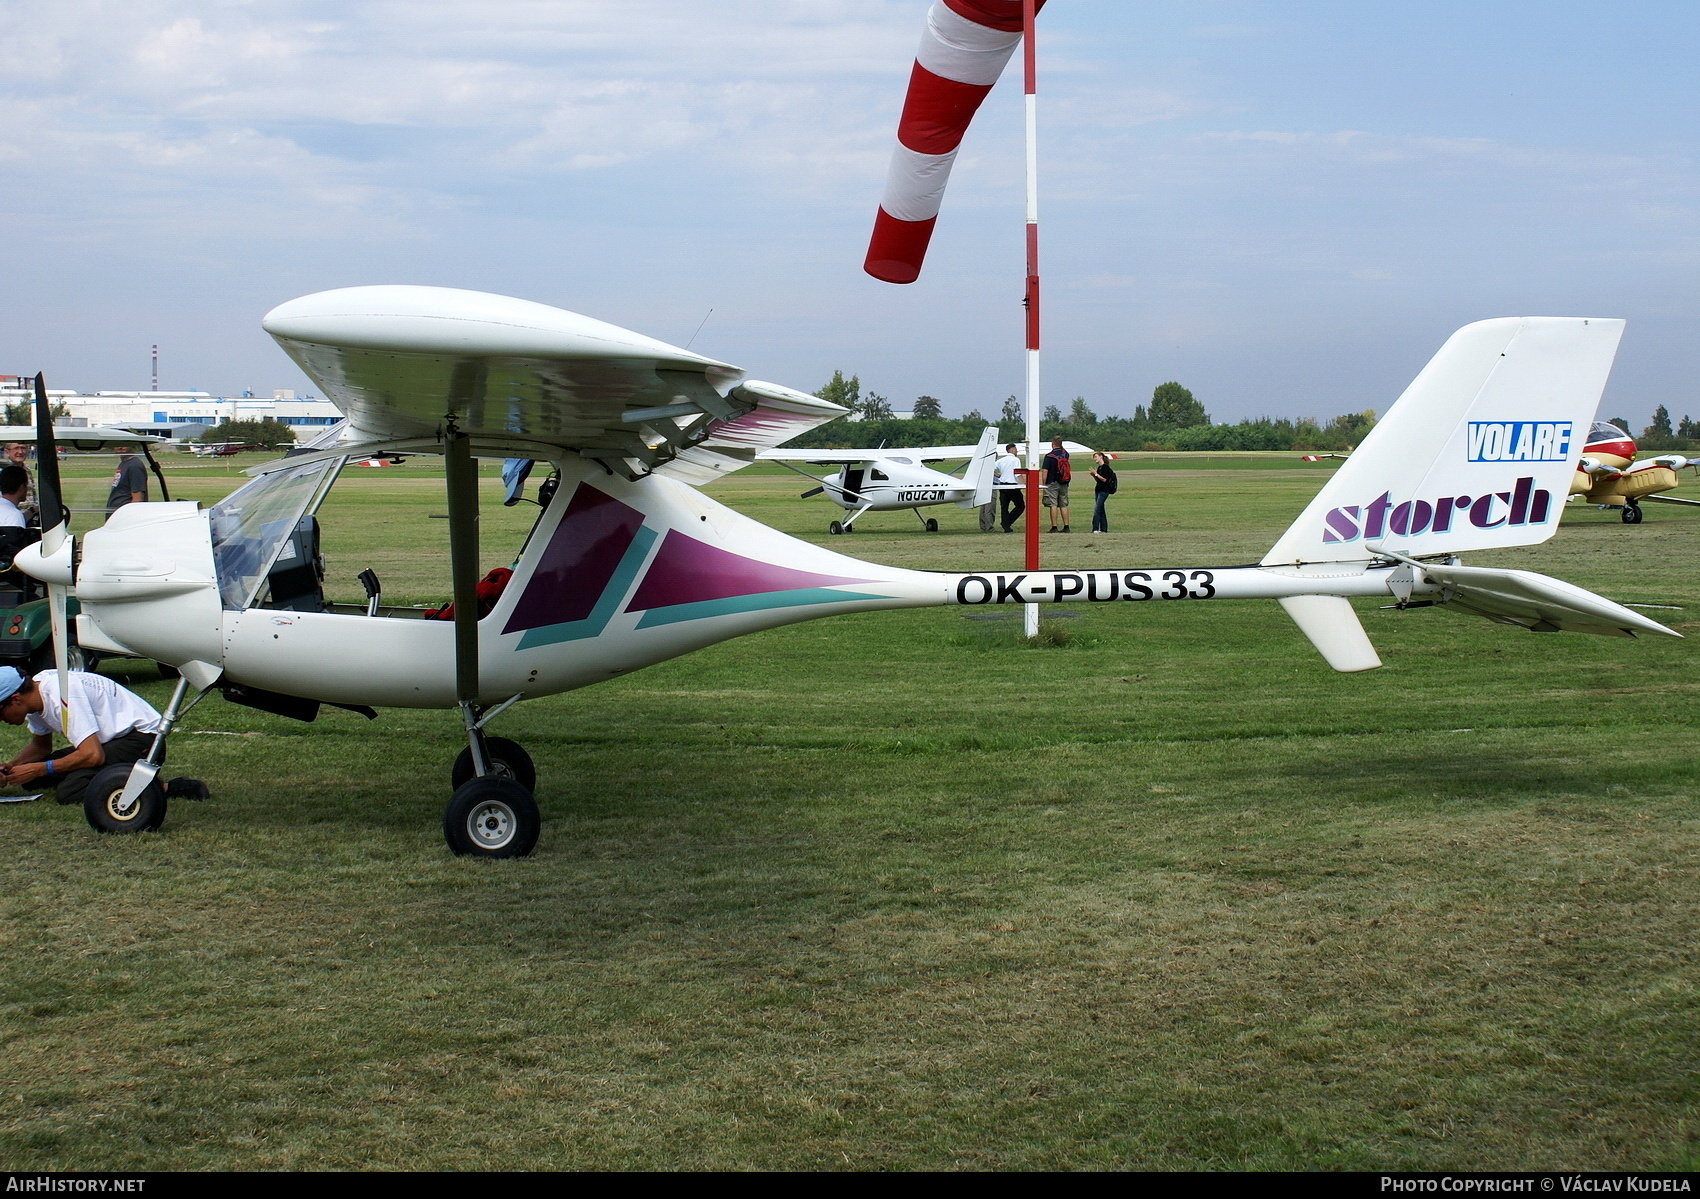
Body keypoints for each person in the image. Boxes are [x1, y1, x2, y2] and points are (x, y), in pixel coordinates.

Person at [0, 666, 163, 808]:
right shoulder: (34, 697)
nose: (2, 720)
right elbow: (41, 747)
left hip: (144, 739)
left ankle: (156, 787)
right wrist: (11, 767)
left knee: (70, 790)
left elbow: (93, 756)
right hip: (110, 741)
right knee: (31, 780)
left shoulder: (62, 695)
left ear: (16, 699)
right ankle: (112, 775)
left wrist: (39, 769)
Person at [993, 442, 1025, 533]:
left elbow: (990, 468)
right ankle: (1007, 522)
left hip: (1002, 485)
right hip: (1012, 486)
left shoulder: (1001, 460)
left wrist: (997, 475)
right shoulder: (1015, 460)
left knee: (1004, 507)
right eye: (1016, 449)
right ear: (1012, 450)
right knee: (1020, 506)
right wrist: (1026, 483)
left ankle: (1006, 526)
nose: (1017, 451)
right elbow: (1018, 473)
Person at [1041, 436, 1071, 533]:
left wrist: (1044, 483)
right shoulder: (1065, 454)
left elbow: (1045, 471)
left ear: (1052, 444)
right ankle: (1066, 526)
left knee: (1053, 504)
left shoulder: (1049, 456)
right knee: (1063, 504)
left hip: (1052, 482)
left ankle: (1054, 526)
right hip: (1063, 482)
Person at [2, 442, 37, 524]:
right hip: (12, 521)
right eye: (16, 448)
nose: (20, 452)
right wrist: (32, 511)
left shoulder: (26, 469)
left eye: (23, 448)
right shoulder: (4, 473)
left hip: (31, 518)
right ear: (7, 452)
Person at [107, 447, 148, 514]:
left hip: (124, 515)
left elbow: (137, 499)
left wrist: (128, 516)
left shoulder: (134, 466)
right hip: (117, 514)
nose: (120, 447)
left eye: (124, 444)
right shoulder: (124, 463)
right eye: (117, 444)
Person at [1089, 451, 1117, 534]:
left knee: (1097, 509)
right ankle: (1104, 528)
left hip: (1104, 491)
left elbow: (1104, 479)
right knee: (1101, 509)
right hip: (1098, 490)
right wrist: (1094, 475)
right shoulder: (1099, 468)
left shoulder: (1105, 467)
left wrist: (1096, 474)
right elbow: (1098, 480)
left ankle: (1095, 528)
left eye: (1096, 457)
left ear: (1101, 457)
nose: (1095, 459)